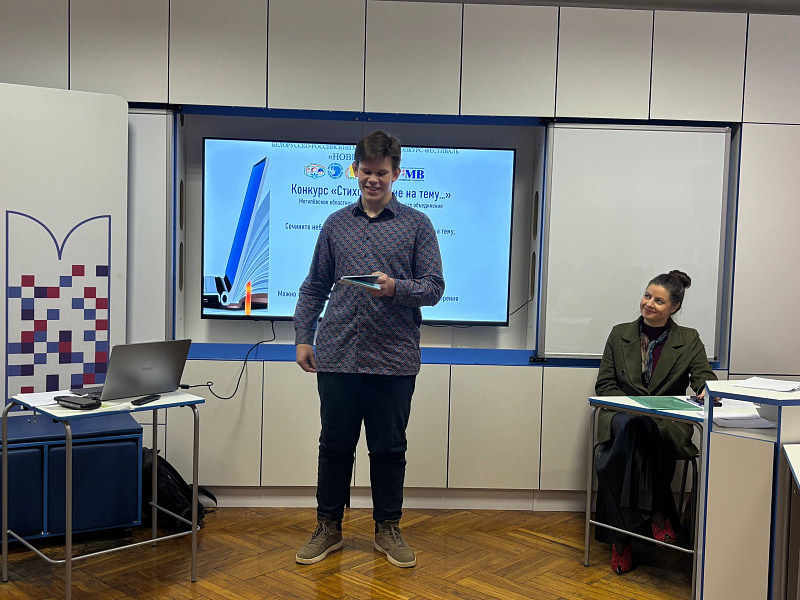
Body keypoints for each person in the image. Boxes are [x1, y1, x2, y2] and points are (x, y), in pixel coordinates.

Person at [292, 131, 445, 568]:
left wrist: (395, 288)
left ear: (396, 173)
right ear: (354, 170)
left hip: (394, 359)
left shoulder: (417, 225)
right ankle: (328, 527)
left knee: (389, 449)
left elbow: (434, 288)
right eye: (365, 171)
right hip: (337, 354)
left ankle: (387, 529)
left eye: (381, 172)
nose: (372, 179)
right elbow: (314, 287)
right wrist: (303, 336)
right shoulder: (336, 224)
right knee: (334, 446)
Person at [593, 270, 716, 575]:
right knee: (634, 427)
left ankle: (621, 543)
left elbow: (704, 377)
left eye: (659, 301)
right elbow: (605, 384)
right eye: (647, 296)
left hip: (664, 423)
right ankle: (661, 515)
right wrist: (633, 408)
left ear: (674, 307)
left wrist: (705, 388)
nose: (648, 304)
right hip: (621, 417)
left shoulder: (688, 339)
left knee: (618, 456)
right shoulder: (619, 333)